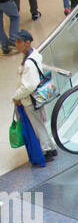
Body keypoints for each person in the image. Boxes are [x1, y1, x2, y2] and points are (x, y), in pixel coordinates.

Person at [12, 31, 56, 160]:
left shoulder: (29, 63)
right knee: (40, 124)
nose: (16, 45)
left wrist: (16, 96)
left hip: (31, 100)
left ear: (27, 42)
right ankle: (51, 147)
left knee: (37, 126)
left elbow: (29, 86)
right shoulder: (34, 55)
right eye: (16, 42)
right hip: (38, 97)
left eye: (19, 42)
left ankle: (46, 150)